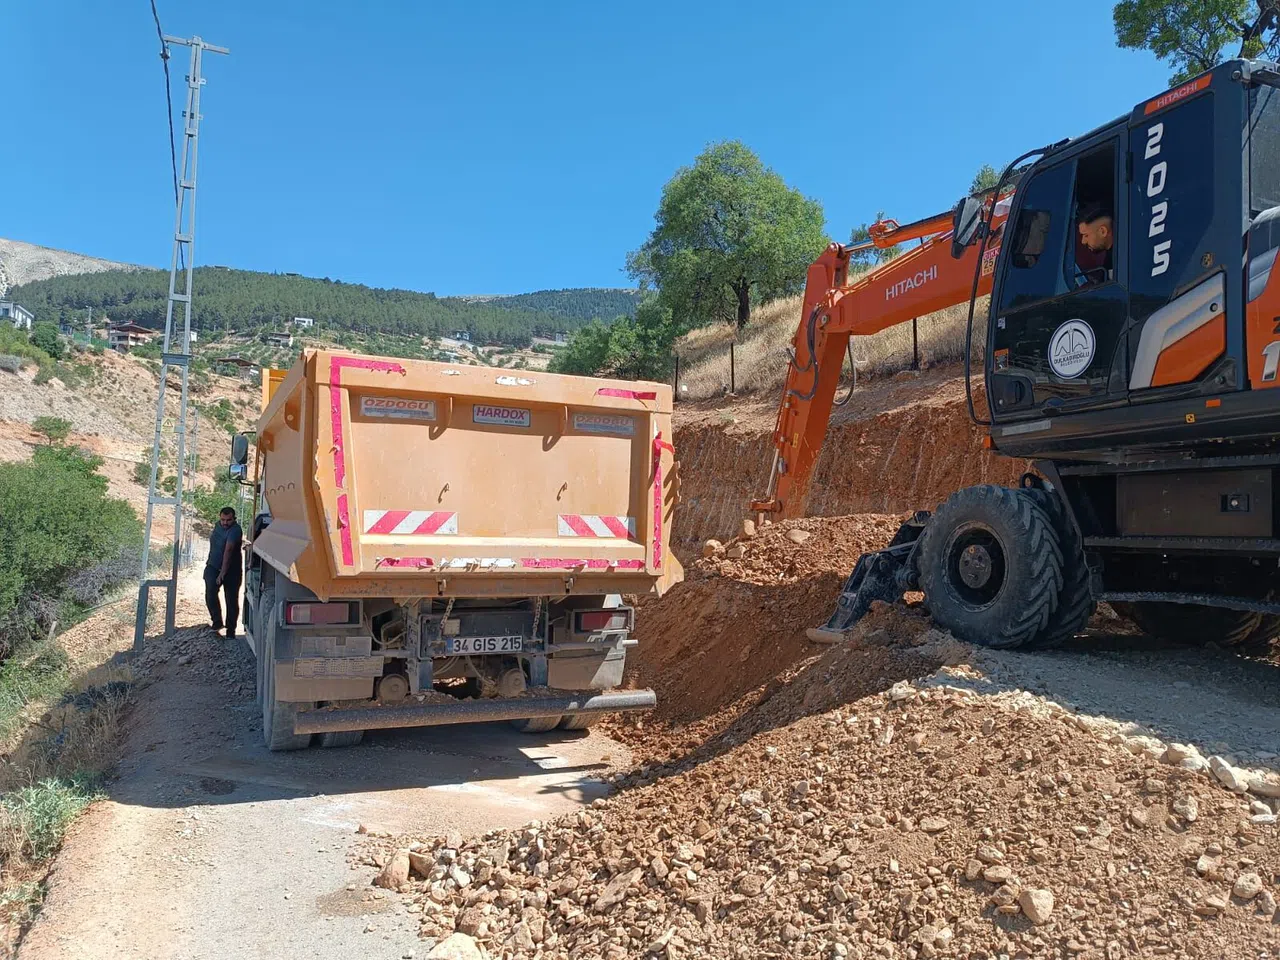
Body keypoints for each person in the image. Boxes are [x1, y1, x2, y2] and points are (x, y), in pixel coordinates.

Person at [205, 507, 243, 639]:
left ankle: (231, 631)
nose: (225, 523)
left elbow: (228, 551)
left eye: (228, 520)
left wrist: (222, 573)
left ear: (234, 519)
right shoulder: (217, 526)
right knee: (210, 592)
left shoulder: (235, 530)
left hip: (232, 570)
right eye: (223, 520)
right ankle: (217, 622)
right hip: (213, 566)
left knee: (231, 600)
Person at [1075, 202, 1114, 285]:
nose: (1083, 241)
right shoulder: (1110, 260)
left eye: (1086, 235)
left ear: (1102, 231)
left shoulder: (1124, 260)